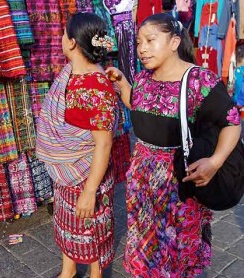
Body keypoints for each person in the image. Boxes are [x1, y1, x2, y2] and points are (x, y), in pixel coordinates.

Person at [106, 13, 242, 277]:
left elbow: (232, 122)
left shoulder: (199, 81)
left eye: (150, 40)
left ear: (174, 41)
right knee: (146, 248)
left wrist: (214, 162)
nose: (142, 48)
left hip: (178, 182)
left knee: (177, 251)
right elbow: (141, 107)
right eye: (138, 42)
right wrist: (123, 84)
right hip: (143, 182)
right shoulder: (144, 78)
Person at [36, 12, 119, 278]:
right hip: (68, 174)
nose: (61, 39)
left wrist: (89, 190)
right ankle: (68, 271)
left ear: (72, 42)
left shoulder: (95, 86)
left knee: (91, 228)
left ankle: (96, 275)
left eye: (63, 34)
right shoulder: (71, 74)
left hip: (87, 175)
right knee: (68, 224)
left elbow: (103, 144)